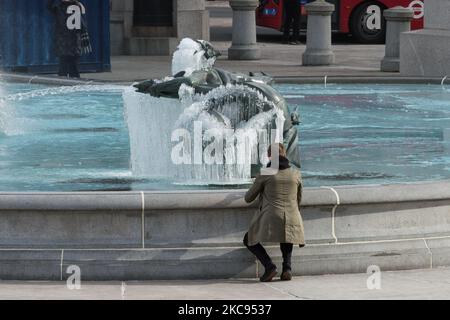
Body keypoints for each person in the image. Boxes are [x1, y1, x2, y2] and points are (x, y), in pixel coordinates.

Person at [243, 143, 305, 282]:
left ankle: (269, 266)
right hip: (292, 215)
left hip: (270, 217)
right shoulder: (295, 173)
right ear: (284, 155)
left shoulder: (266, 173)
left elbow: (248, 198)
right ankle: (287, 269)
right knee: (287, 236)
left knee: (248, 239)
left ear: (269, 156)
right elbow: (299, 198)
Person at [47, 0, 92, 78]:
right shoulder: (79, 6)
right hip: (74, 41)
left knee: (63, 69)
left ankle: (62, 86)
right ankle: (75, 85)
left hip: (62, 42)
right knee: (74, 68)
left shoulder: (59, 7)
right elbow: (83, 23)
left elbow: (49, 7)